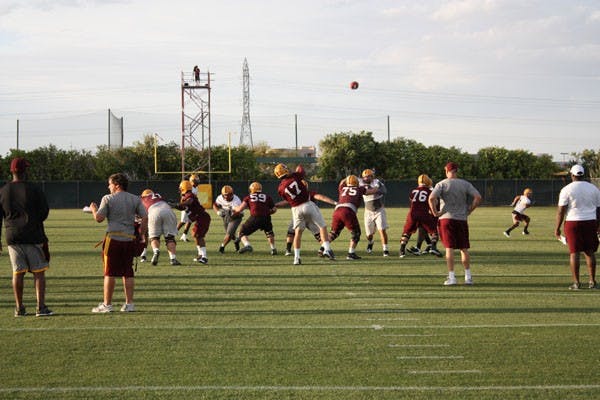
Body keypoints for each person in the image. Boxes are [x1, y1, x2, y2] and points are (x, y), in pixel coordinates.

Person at [0, 157, 53, 317]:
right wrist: (34, 221)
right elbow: (44, 211)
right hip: (33, 234)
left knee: (18, 272)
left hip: (12, 236)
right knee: (39, 272)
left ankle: (19, 308)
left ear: (12, 171)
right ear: (25, 171)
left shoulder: (3, 191)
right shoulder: (34, 189)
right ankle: (41, 307)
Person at [89, 173, 148, 313]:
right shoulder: (135, 199)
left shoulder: (108, 198)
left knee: (109, 272)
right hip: (129, 239)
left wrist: (93, 209)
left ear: (117, 185)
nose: (108, 186)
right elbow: (145, 217)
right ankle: (129, 304)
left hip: (113, 239)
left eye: (110, 184)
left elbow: (99, 218)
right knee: (128, 272)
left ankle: (107, 305)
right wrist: (140, 234)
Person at [428, 162, 482, 286]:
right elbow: (478, 197)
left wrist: (435, 212)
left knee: (449, 248)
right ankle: (468, 277)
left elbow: (431, 198)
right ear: (456, 171)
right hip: (462, 219)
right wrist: (470, 210)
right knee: (464, 248)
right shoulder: (465, 184)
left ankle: (452, 277)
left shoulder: (441, 183)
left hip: (446, 219)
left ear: (446, 171)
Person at [275, 163, 334, 265]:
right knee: (322, 226)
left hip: (295, 209)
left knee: (298, 233)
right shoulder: (295, 176)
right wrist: (299, 166)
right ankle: (327, 250)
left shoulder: (280, 188)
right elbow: (301, 170)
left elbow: (288, 199)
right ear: (285, 171)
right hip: (307, 204)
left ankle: (296, 258)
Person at [554, 164, 600, 290]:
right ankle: (592, 282)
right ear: (583, 174)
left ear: (572, 175)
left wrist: (557, 228)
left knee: (574, 253)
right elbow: (599, 210)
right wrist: (599, 225)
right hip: (590, 221)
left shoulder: (566, 189)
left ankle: (576, 283)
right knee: (590, 252)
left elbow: (560, 211)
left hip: (572, 223)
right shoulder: (594, 188)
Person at [278, 179, 336, 257]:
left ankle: (290, 252)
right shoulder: (308, 193)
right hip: (310, 215)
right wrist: (334, 202)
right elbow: (320, 197)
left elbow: (285, 202)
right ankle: (326, 249)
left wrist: (274, 205)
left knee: (292, 232)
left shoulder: (293, 194)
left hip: (298, 214)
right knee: (319, 234)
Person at [329, 175, 378, 260]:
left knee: (334, 232)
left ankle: (323, 248)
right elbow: (372, 191)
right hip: (348, 211)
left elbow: (341, 182)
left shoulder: (342, 188)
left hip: (337, 211)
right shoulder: (359, 189)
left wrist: (347, 177)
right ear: (356, 182)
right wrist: (377, 186)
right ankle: (351, 253)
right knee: (356, 233)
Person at [399, 174, 443, 258]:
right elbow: (434, 202)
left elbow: (411, 201)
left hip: (412, 214)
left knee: (407, 232)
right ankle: (433, 247)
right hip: (424, 214)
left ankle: (402, 251)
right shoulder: (430, 192)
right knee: (434, 232)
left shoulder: (413, 191)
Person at [232, 182, 278, 255]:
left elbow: (240, 209)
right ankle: (273, 248)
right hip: (266, 218)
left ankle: (247, 245)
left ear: (251, 189)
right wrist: (267, 212)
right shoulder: (267, 197)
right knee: (269, 233)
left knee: (241, 232)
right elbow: (274, 209)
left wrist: (234, 208)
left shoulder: (248, 197)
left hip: (255, 217)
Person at [140, 189, 181, 266]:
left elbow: (141, 215)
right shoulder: (158, 196)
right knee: (170, 238)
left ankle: (156, 251)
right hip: (168, 211)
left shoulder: (142, 199)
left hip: (153, 212)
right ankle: (173, 259)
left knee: (154, 237)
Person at [176, 179, 211, 264]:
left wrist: (180, 204)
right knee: (195, 235)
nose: (180, 189)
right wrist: (175, 205)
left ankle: (204, 257)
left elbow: (189, 202)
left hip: (202, 217)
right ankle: (200, 255)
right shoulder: (185, 196)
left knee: (199, 236)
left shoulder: (189, 195)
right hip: (200, 218)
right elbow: (184, 207)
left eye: (181, 187)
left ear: (183, 187)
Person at [359, 169, 390, 256]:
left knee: (382, 230)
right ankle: (371, 242)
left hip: (379, 210)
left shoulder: (377, 182)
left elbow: (384, 191)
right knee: (369, 234)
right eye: (365, 176)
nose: (367, 178)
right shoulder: (360, 182)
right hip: (368, 212)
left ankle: (385, 250)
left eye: (369, 176)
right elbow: (365, 192)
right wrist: (373, 190)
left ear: (372, 177)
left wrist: (374, 190)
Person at [213, 185, 243, 253]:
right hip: (226, 216)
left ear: (232, 194)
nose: (226, 197)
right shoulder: (220, 198)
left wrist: (230, 214)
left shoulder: (236, 200)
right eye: (225, 195)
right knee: (230, 234)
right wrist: (217, 211)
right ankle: (236, 242)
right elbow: (215, 205)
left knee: (229, 233)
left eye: (228, 195)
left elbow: (238, 213)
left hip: (236, 217)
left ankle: (222, 247)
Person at [177, 174, 200, 241]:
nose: (197, 182)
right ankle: (173, 233)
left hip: (191, 206)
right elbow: (183, 196)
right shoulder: (189, 187)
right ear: (192, 181)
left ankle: (184, 235)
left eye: (197, 180)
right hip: (186, 206)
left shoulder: (196, 188)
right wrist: (182, 205)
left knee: (190, 220)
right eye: (196, 180)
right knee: (183, 221)